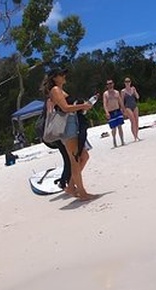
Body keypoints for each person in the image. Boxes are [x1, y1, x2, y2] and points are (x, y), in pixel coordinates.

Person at [43, 67, 95, 200]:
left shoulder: (60, 90)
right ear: (55, 78)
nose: (64, 76)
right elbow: (65, 108)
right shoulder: (55, 90)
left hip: (72, 124)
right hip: (67, 127)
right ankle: (82, 192)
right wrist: (83, 106)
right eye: (61, 74)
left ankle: (71, 186)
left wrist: (82, 106)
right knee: (76, 159)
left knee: (84, 156)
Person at [102, 79, 125, 147]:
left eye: (111, 83)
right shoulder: (105, 94)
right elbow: (105, 104)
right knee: (113, 128)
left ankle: (122, 140)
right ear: (107, 85)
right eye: (108, 84)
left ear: (113, 84)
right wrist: (107, 112)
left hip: (117, 110)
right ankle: (114, 140)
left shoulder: (116, 92)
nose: (110, 85)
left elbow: (120, 102)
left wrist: (123, 110)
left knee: (120, 126)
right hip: (111, 112)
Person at [121, 77, 140, 141]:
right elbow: (122, 101)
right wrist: (123, 110)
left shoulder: (133, 89)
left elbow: (137, 97)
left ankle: (137, 135)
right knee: (133, 121)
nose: (127, 83)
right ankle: (134, 136)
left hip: (134, 105)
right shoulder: (123, 91)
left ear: (130, 82)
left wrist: (135, 91)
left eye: (128, 81)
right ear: (124, 83)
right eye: (126, 82)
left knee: (137, 121)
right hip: (128, 107)